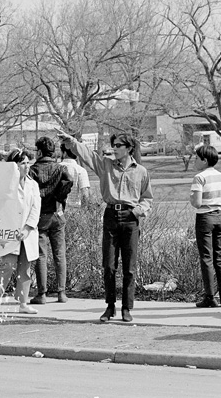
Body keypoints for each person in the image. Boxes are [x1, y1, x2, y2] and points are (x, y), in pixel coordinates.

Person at [58, 130, 152, 323]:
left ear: (129, 148)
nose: (114, 149)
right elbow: (88, 156)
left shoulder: (141, 171)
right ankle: (110, 306)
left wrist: (138, 210)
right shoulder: (106, 166)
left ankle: (127, 307)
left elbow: (147, 198)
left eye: (118, 146)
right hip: (110, 216)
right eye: (113, 145)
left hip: (130, 218)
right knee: (109, 265)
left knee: (130, 267)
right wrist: (73, 142)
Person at [0, 149, 41, 314]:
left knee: (25, 269)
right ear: (14, 166)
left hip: (27, 233)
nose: (26, 166)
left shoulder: (33, 184)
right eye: (21, 163)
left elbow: (35, 208)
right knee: (7, 267)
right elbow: (1, 208)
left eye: (27, 163)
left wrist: (27, 228)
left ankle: (23, 303)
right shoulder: (6, 185)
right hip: (10, 234)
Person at [28, 137, 73, 305]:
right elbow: (69, 182)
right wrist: (60, 198)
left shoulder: (32, 171)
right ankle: (62, 292)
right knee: (59, 254)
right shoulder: (60, 168)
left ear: (39, 152)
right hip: (57, 213)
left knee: (41, 255)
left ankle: (42, 293)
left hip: (40, 216)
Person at [190, 145, 221, 308]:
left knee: (206, 258)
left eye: (196, 158)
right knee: (220, 257)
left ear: (204, 160)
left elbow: (197, 203)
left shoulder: (199, 178)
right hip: (219, 217)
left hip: (205, 218)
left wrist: (192, 199)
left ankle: (210, 297)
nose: (194, 160)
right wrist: (217, 201)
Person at [60, 143, 90, 208]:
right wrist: (84, 210)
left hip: (57, 209)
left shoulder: (56, 168)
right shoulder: (81, 170)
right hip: (74, 210)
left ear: (64, 153)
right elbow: (85, 193)